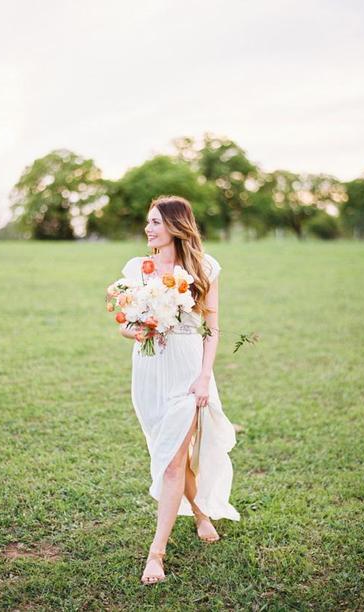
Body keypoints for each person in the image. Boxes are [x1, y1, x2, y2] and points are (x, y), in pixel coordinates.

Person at [119, 195, 240, 585]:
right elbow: (124, 322)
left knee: (172, 461)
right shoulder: (138, 269)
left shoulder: (204, 268)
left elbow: (212, 327)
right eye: (148, 222)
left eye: (155, 222)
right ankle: (200, 512)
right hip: (149, 370)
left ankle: (157, 553)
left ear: (175, 225)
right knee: (169, 451)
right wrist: (135, 329)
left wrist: (204, 376)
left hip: (188, 371)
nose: (148, 229)